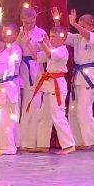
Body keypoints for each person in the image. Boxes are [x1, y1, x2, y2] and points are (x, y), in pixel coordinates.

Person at [24, 24, 76, 154]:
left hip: (57, 84)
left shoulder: (63, 50)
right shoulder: (52, 49)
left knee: (58, 116)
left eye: (55, 37)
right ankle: (43, 144)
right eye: (51, 36)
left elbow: (49, 54)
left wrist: (43, 43)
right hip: (48, 85)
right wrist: (28, 44)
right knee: (44, 115)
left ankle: (69, 145)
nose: (52, 39)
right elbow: (37, 56)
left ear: (62, 38)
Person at [66, 11, 94, 149]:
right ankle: (77, 141)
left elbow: (86, 34)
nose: (80, 29)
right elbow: (63, 37)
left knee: (83, 110)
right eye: (80, 26)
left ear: (92, 26)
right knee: (73, 110)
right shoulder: (77, 38)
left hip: (88, 76)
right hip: (77, 77)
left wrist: (74, 24)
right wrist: (57, 22)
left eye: (83, 26)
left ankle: (89, 141)